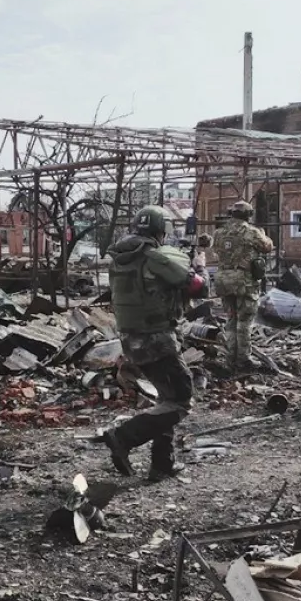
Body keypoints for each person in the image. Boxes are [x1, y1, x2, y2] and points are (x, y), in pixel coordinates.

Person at [99, 206, 209, 482]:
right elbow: (199, 287)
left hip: (131, 338)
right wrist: (199, 266)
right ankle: (123, 437)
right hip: (157, 339)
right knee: (181, 400)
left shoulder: (120, 258)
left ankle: (162, 463)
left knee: (166, 398)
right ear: (161, 231)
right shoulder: (156, 258)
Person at [212, 201, 274, 372]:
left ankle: (230, 358)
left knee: (231, 319)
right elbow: (267, 247)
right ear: (248, 215)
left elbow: (217, 250)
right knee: (244, 321)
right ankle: (243, 360)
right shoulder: (251, 232)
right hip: (244, 282)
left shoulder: (218, 233)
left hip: (224, 280)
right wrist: (263, 234)